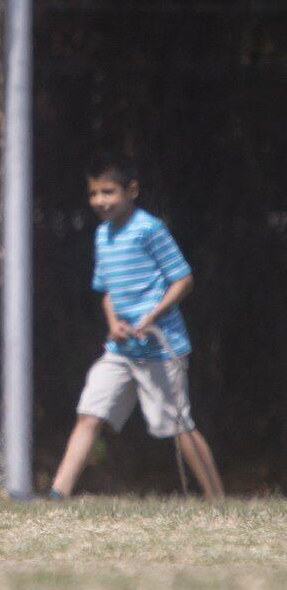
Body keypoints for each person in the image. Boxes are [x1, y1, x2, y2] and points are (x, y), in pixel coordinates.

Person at [49, 152, 223, 499]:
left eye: (109, 192)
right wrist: (114, 324)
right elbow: (107, 291)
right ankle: (58, 496)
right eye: (94, 194)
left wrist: (151, 316)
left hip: (160, 348)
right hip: (120, 350)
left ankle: (217, 500)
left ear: (132, 191)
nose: (100, 201)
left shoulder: (149, 229)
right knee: (89, 414)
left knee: (177, 425)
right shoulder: (102, 236)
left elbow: (182, 279)